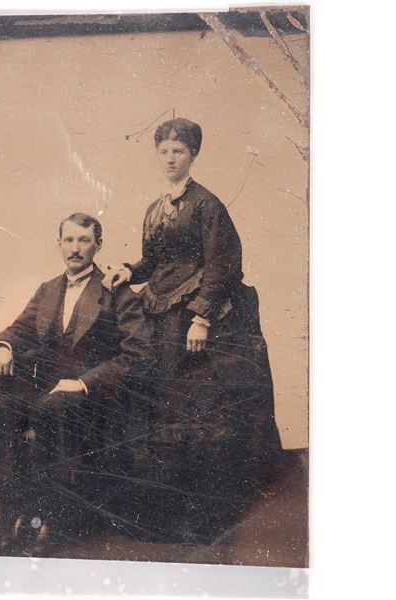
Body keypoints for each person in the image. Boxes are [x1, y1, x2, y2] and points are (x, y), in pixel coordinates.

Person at [103, 118, 282, 539]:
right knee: (159, 399)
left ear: (193, 156)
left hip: (194, 318)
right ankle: (165, 507)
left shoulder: (207, 204)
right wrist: (127, 271)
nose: (170, 158)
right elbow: (152, 263)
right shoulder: (155, 208)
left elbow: (223, 262)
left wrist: (201, 316)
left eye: (178, 151)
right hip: (159, 310)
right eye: (164, 150)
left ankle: (203, 513)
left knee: (193, 404)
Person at [0, 212, 151, 556]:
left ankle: (46, 519)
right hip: (47, 393)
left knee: (48, 412)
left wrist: (85, 383)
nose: (75, 249)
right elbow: (17, 330)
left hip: (94, 401)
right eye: (68, 240)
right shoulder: (49, 288)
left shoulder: (117, 292)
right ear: (59, 245)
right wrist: (1, 349)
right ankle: (16, 512)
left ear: (97, 245)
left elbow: (140, 355)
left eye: (84, 240)